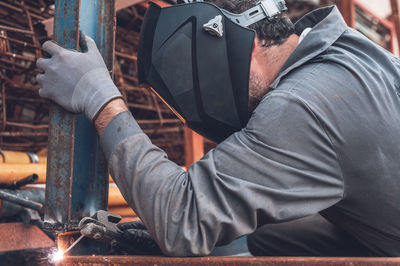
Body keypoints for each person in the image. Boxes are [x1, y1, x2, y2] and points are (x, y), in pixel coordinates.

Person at [36, 0, 400, 257]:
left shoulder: (301, 103)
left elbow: (179, 219)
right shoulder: (351, 54)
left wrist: (101, 99)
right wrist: (207, 226)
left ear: (227, 38)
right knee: (266, 237)